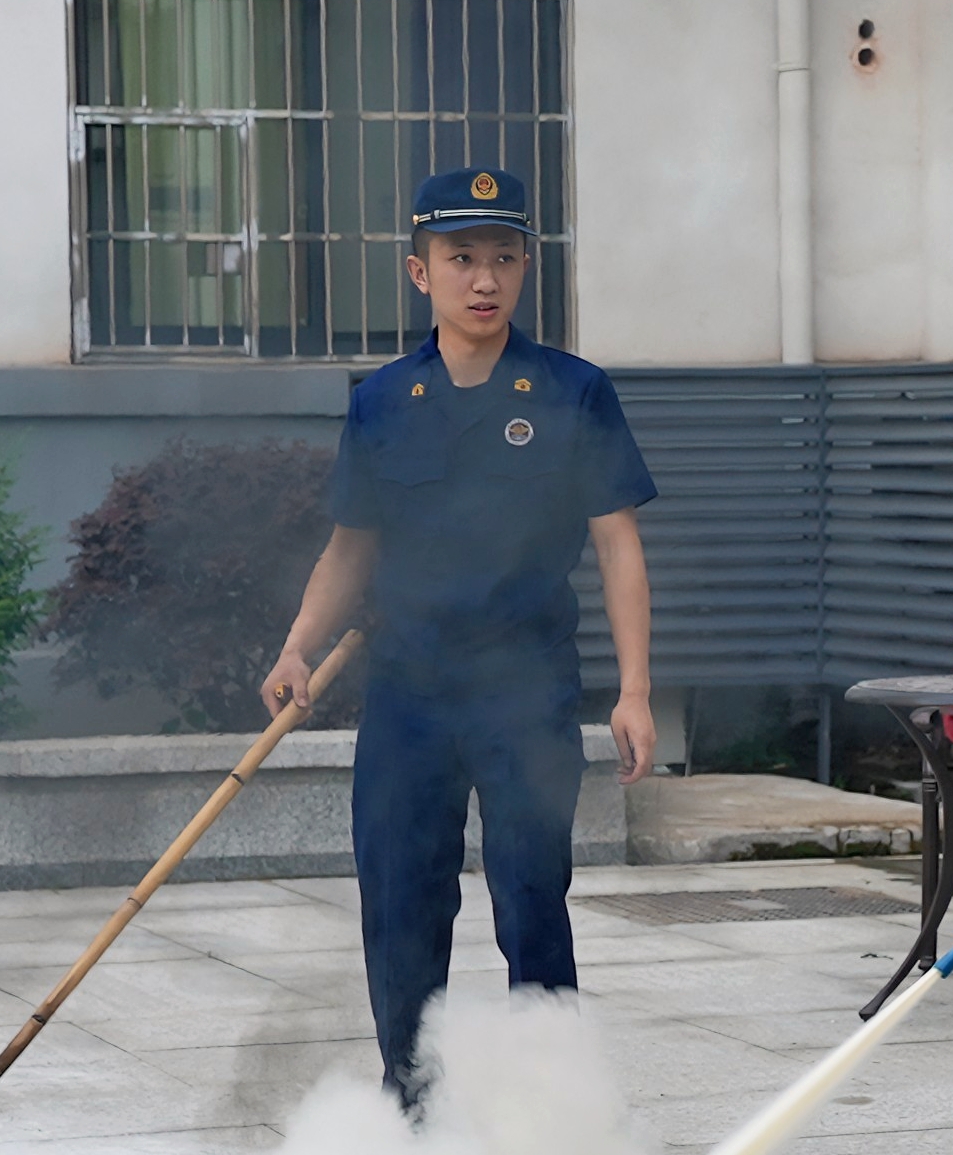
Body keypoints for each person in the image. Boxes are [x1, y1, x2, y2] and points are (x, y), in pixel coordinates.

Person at [263, 167, 658, 1106]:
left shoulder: (573, 392)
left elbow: (618, 545)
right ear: (420, 271)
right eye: (462, 258)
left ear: (526, 268)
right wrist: (298, 645)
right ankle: (412, 1103)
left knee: (532, 899)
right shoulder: (381, 401)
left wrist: (635, 690)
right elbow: (350, 547)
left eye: (505, 259)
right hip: (408, 692)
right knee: (401, 902)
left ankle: (551, 1109)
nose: (485, 279)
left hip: (527, 690)